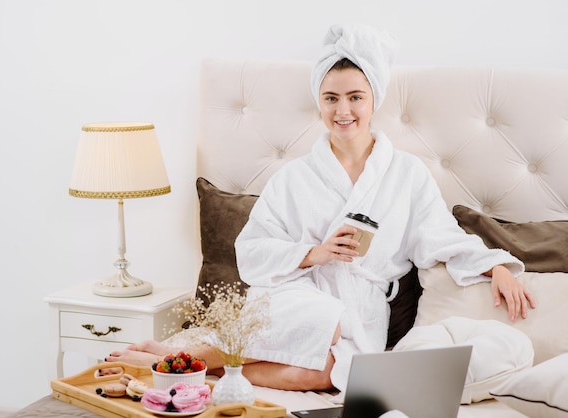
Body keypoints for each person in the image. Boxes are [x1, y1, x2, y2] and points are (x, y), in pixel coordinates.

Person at [106, 23, 535, 396]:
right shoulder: (294, 178)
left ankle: (204, 367)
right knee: (324, 322)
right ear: (320, 102)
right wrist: (315, 253)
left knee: (332, 372)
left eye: (355, 97)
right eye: (331, 98)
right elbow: (252, 250)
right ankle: (178, 361)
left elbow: (439, 235)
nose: (343, 110)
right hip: (295, 293)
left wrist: (494, 266)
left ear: (374, 99)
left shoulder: (407, 174)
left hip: (363, 306)